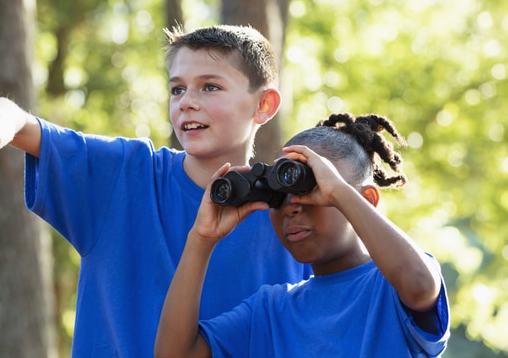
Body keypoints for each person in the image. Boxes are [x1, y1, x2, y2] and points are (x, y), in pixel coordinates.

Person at [0, 25, 311, 356]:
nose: (187, 103)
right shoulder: (124, 175)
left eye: (210, 87)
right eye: (177, 90)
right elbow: (21, 120)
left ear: (264, 104)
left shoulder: (294, 210)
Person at [155, 113, 450, 357]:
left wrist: (337, 191)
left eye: (312, 190)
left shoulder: (391, 287)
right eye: (279, 196)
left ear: (366, 200)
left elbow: (420, 285)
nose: (292, 207)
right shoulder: (270, 312)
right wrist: (201, 238)